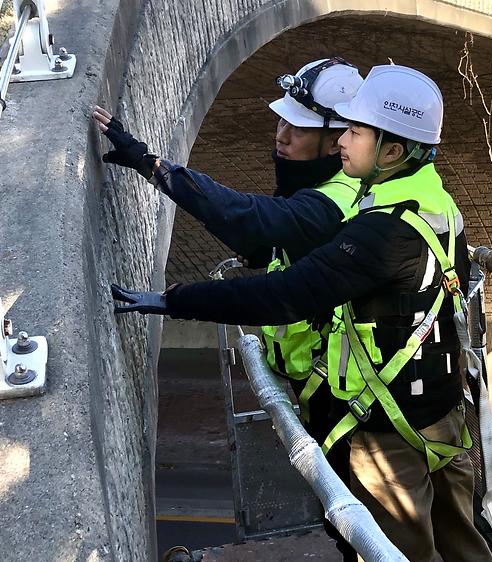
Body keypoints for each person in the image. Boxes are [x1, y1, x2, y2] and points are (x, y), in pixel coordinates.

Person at [110, 64, 492, 562]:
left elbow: (287, 293)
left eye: (355, 132)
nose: (342, 143)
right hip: (442, 415)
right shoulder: (436, 201)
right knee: (465, 547)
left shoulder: (379, 231)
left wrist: (177, 300)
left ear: (393, 151)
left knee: (393, 552)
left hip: (389, 434)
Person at [93, 57, 364, 562]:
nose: (281, 135)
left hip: (350, 399)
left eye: (297, 127)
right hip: (330, 386)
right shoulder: (319, 190)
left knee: (356, 523)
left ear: (337, 140)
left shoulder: (339, 201)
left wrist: (153, 166)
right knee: (340, 515)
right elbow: (268, 239)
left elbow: (253, 224)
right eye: (280, 121)